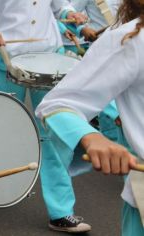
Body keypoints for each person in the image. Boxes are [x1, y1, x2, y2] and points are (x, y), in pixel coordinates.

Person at [0, 0, 91, 233]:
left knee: (54, 133)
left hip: (49, 59)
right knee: (0, 128)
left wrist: (73, 16)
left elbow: (61, 7)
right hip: (10, 59)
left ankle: (60, 212)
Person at [35, 0, 144, 234]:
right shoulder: (132, 39)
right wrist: (91, 137)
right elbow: (57, 104)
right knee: (53, 144)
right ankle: (60, 210)